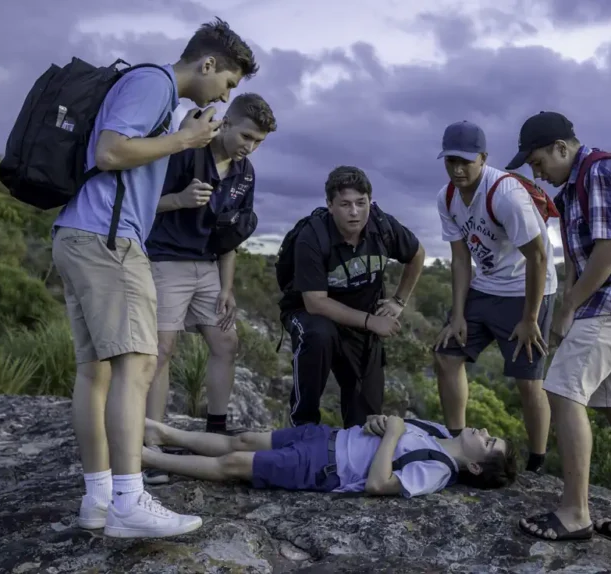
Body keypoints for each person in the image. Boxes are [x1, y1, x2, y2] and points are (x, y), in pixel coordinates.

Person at [50, 18, 259, 539]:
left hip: (82, 232)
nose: (226, 93)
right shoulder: (153, 83)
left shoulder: (158, 96)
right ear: (207, 64)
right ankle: (128, 498)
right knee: (138, 363)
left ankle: (100, 499)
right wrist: (184, 139)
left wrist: (178, 132)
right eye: (228, 83)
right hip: (108, 238)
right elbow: (110, 152)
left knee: (95, 371)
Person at [507, 111, 611, 550]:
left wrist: (568, 307)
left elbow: (608, 251)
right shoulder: (573, 187)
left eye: (538, 162)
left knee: (562, 391)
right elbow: (577, 256)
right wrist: (567, 304)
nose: (538, 172)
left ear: (562, 147)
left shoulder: (602, 173)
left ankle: (575, 512)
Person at [142, 93, 276, 486]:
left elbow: (230, 235)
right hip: (166, 260)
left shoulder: (245, 173)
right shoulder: (185, 149)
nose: (250, 147)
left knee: (225, 343)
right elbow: (139, 203)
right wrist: (180, 200)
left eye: (258, 143)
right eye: (247, 136)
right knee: (162, 350)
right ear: (227, 123)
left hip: (209, 268)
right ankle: (152, 443)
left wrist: (227, 287)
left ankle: (214, 433)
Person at [432, 121, 556, 474]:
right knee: (445, 355)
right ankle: (457, 443)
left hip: (526, 289)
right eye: (450, 161)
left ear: (483, 159)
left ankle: (537, 463)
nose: (457, 169)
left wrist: (530, 319)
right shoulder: (448, 197)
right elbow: (459, 258)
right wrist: (457, 315)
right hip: (485, 286)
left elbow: (538, 257)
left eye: (466, 162)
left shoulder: (505, 194)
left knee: (528, 381)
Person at [277, 166, 426, 428]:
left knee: (365, 419)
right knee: (318, 335)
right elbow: (315, 302)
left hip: (360, 321)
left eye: (361, 203)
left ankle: (353, 452)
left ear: (370, 201)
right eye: (345, 204)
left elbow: (417, 254)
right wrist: (371, 321)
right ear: (330, 205)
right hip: (311, 315)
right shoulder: (312, 236)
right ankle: (302, 427)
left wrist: (398, 301)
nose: (355, 212)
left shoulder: (382, 227)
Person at [141, 414, 519, 497]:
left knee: (235, 466)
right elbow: (386, 424)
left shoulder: (437, 471)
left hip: (325, 467)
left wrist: (392, 434)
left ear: (474, 465)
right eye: (490, 434)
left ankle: (150, 459)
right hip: (327, 436)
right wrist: (380, 423)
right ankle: (165, 433)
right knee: (244, 441)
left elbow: (378, 484)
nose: (484, 432)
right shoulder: (438, 431)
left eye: (488, 443)